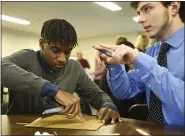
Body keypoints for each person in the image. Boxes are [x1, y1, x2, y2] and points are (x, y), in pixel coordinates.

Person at [2, 18, 122, 124]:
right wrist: (53, 91)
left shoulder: (74, 67)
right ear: (42, 44)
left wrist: (108, 106)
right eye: (55, 50)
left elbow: (97, 95)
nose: (62, 59)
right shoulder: (27, 58)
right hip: (19, 129)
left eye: (67, 52)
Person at [94, 1, 184, 126]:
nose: (140, 19)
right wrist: (115, 64)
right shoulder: (153, 51)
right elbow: (124, 91)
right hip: (154, 130)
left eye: (147, 8)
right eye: (139, 13)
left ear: (173, 7)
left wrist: (140, 61)